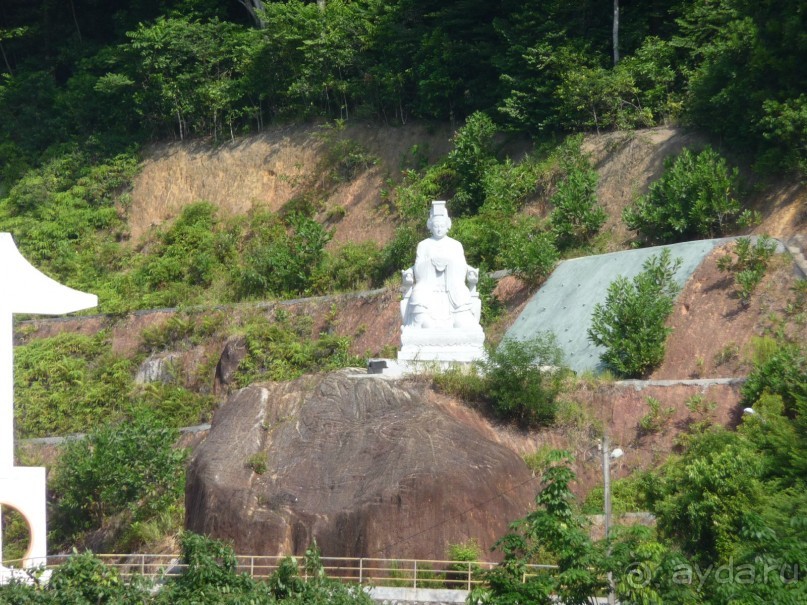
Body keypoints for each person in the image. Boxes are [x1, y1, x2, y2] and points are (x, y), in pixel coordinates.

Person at [401, 202, 479, 329]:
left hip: (452, 288)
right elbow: (418, 268)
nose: (439, 229)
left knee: (463, 307)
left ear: (447, 226)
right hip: (428, 288)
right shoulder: (423, 245)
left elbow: (462, 266)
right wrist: (430, 263)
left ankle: (462, 318)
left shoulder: (455, 245)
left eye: (442, 225)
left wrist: (451, 263)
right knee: (418, 296)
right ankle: (418, 323)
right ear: (430, 226)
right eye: (436, 226)